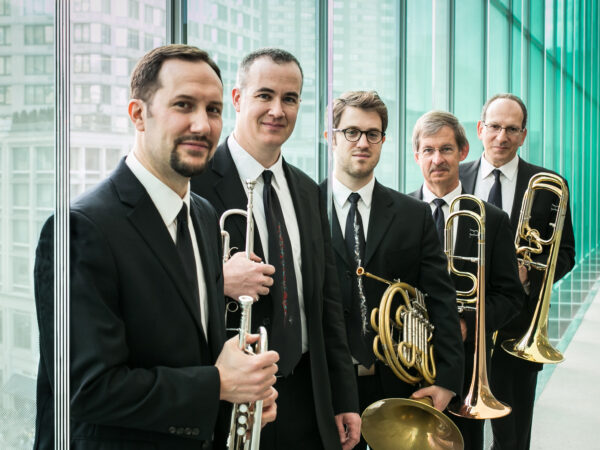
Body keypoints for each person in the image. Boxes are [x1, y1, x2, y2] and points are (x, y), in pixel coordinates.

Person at [33, 45, 280, 450]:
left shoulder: (202, 214)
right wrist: (219, 384)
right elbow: (87, 390)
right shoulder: (77, 229)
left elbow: (195, 353)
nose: (202, 124)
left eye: (214, 110)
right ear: (137, 115)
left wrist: (241, 391)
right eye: (183, 105)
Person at [190, 48, 360, 450]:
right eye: (264, 95)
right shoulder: (195, 181)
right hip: (235, 399)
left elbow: (326, 302)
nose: (277, 110)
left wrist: (343, 397)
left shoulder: (307, 189)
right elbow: (165, 297)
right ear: (237, 98)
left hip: (307, 392)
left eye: (290, 98)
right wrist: (220, 280)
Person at [320, 91, 465, 450]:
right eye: (351, 132)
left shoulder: (413, 214)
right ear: (331, 136)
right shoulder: (304, 207)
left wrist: (448, 378)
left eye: (373, 133)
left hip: (400, 382)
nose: (362, 142)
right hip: (326, 384)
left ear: (384, 140)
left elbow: (440, 298)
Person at [459, 93, 576, 450]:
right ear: (480, 129)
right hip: (464, 332)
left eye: (512, 129)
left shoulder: (548, 185)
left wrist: (530, 277)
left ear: (524, 135)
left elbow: (566, 254)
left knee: (513, 439)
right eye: (494, 127)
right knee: (461, 435)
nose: (502, 136)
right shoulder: (455, 177)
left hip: (519, 330)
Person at [409, 110, 526, 450]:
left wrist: (467, 323)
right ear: (416, 156)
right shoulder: (399, 212)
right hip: (407, 366)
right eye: (428, 150)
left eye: (446, 149)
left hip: (465, 369)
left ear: (462, 152)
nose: (437, 159)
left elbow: (510, 297)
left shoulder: (492, 219)